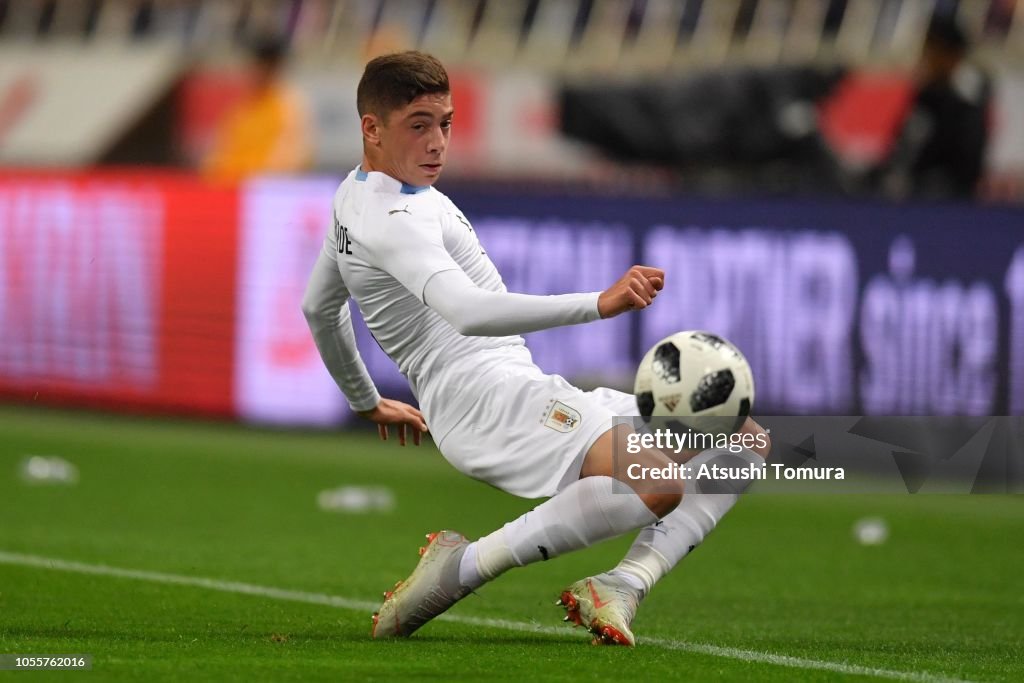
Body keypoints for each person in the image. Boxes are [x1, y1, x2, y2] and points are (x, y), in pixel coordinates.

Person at [301, 51, 770, 647]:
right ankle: (464, 567)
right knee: (656, 485)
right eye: (418, 125)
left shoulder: (357, 195)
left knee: (742, 436)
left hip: (510, 387)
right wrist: (598, 304)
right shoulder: (393, 217)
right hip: (484, 401)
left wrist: (364, 401)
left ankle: (624, 584)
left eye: (445, 122)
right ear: (372, 128)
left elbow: (318, 306)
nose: (438, 142)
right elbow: (468, 314)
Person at [876, 15, 991, 200]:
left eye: (933, 51)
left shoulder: (965, 110)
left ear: (953, 56)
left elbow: (967, 171)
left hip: (940, 206)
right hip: (901, 200)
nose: (926, 58)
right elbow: (899, 151)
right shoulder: (922, 100)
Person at [202, 34, 312, 182]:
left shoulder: (289, 107)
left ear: (275, 67)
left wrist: (251, 176)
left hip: (266, 190)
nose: (258, 71)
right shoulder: (241, 106)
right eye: (256, 65)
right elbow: (219, 153)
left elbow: (293, 159)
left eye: (265, 66)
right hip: (233, 186)